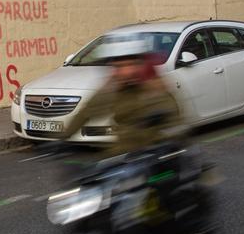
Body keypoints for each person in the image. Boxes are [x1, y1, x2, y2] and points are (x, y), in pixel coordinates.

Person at [50, 34, 187, 153]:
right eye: (118, 66)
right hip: (125, 152)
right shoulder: (113, 88)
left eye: (128, 65)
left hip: (157, 151)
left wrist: (164, 130)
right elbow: (88, 111)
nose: (123, 71)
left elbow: (173, 119)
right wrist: (62, 138)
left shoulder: (153, 87)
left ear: (139, 64)